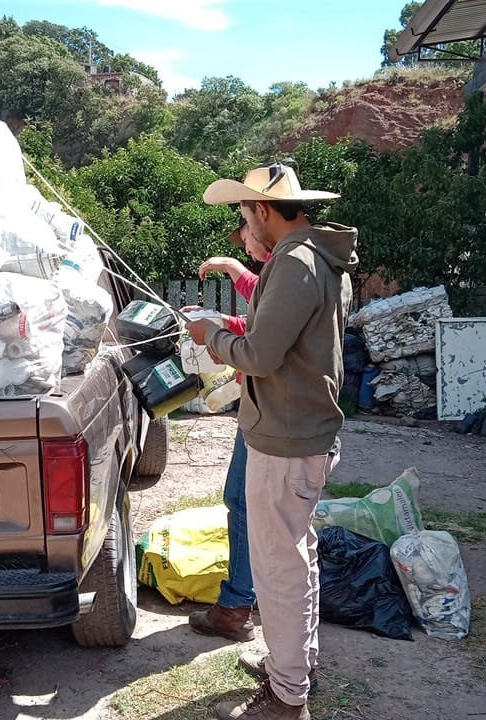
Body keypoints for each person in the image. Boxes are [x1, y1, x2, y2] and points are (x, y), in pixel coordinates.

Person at [187, 163, 358, 720]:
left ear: (263, 210)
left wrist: (208, 334)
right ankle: (294, 665)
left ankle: (287, 698)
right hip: (300, 432)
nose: (242, 230)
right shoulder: (316, 255)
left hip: (286, 440)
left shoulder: (296, 262)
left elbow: (260, 355)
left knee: (279, 568)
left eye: (242, 215)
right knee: (296, 555)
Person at [184, 222, 266, 642]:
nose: (246, 245)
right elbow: (258, 320)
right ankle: (243, 600)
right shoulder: (286, 270)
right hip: (265, 411)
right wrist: (218, 318)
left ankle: (238, 606)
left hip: (273, 418)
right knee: (245, 502)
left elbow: (260, 348)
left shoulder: (290, 271)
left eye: (247, 232)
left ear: (265, 220)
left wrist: (212, 332)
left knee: (249, 505)